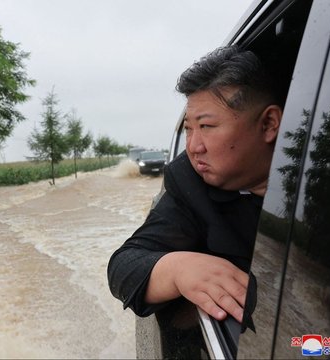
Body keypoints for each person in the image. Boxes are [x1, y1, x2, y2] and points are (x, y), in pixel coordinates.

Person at [107, 45, 283, 325]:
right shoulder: (190, 183)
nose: (193, 147)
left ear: (269, 124)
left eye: (207, 127)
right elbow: (124, 267)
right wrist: (177, 269)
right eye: (189, 129)